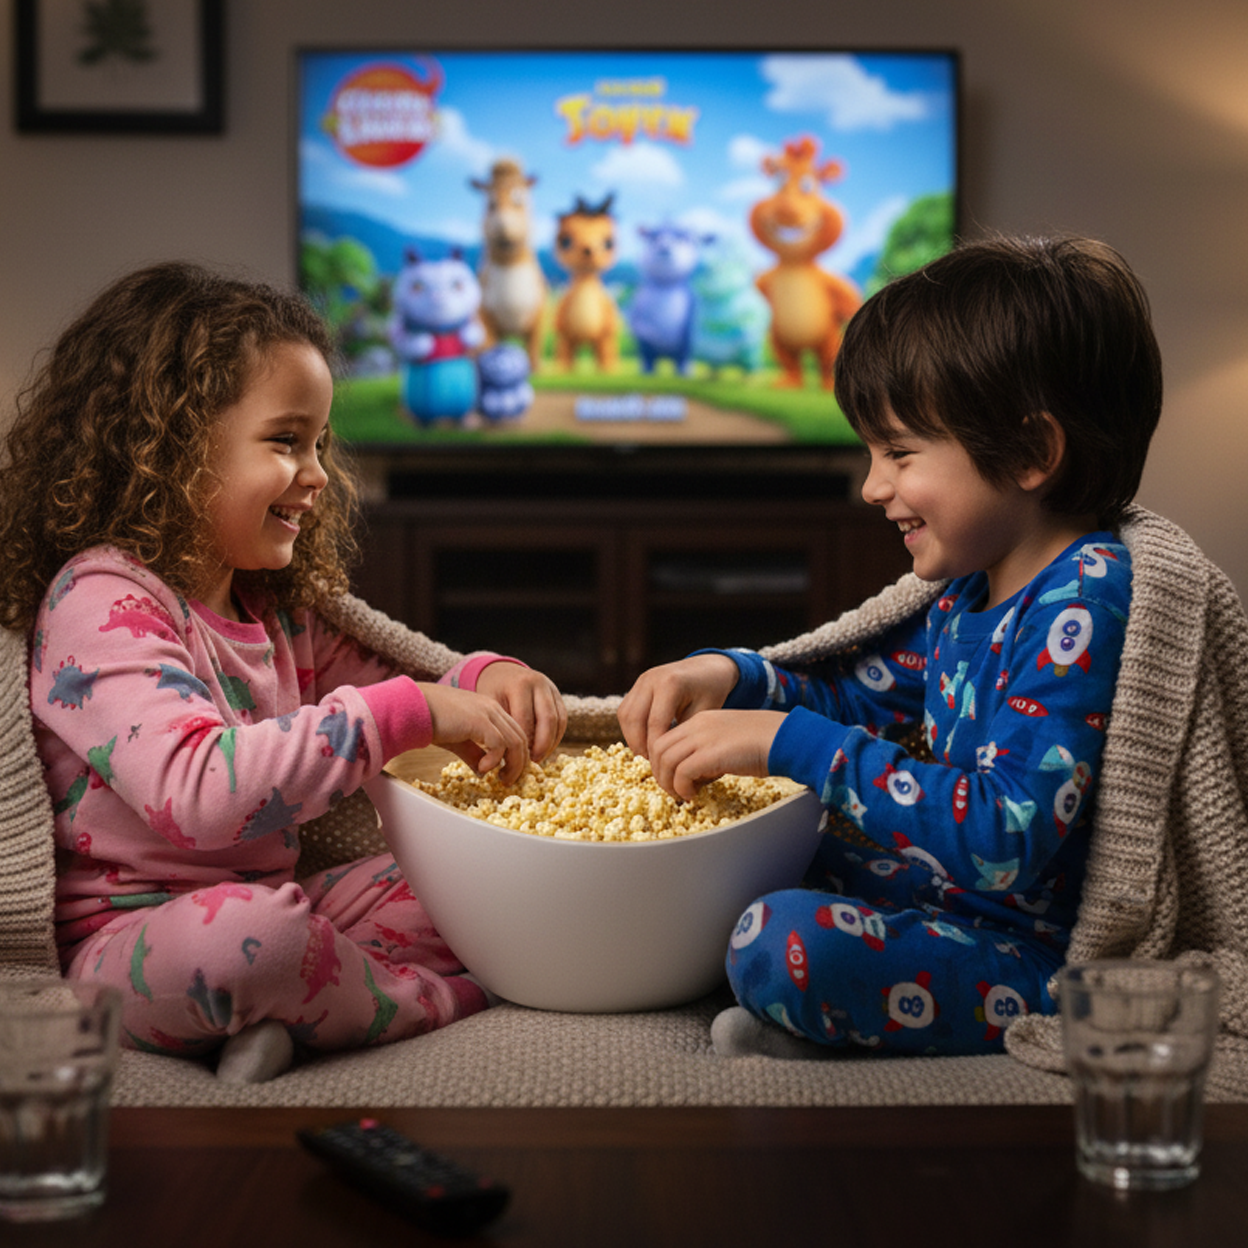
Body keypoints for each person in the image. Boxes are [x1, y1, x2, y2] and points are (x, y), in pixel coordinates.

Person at [0, 262, 567, 1081]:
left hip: (283, 904)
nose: (319, 475)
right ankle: (424, 1002)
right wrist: (410, 713)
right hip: (134, 945)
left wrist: (483, 679)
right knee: (250, 942)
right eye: (285, 441)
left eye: (322, 445)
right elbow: (201, 794)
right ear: (170, 445)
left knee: (481, 876)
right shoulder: (100, 600)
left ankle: (302, 1013)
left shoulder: (273, 608)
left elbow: (396, 680)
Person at [618, 235, 1162, 1058]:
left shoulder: (1084, 596)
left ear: (1030, 453)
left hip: (1031, 955)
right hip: (933, 895)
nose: (874, 487)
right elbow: (851, 698)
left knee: (784, 936)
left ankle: (818, 1009)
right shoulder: (968, 588)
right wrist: (727, 673)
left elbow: (1004, 840)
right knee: (727, 856)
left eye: (900, 454)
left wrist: (790, 745)